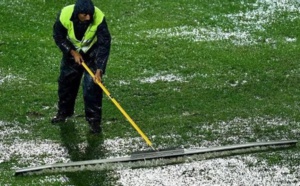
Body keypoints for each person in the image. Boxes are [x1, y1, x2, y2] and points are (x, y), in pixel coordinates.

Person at [52, 0, 111, 134]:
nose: (88, 18)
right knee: (66, 83)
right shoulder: (64, 15)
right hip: (72, 53)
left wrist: (99, 69)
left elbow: (104, 44)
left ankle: (94, 121)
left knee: (92, 86)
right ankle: (64, 113)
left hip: (92, 53)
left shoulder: (99, 17)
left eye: (90, 14)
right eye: (85, 15)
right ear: (77, 13)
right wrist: (72, 52)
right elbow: (58, 36)